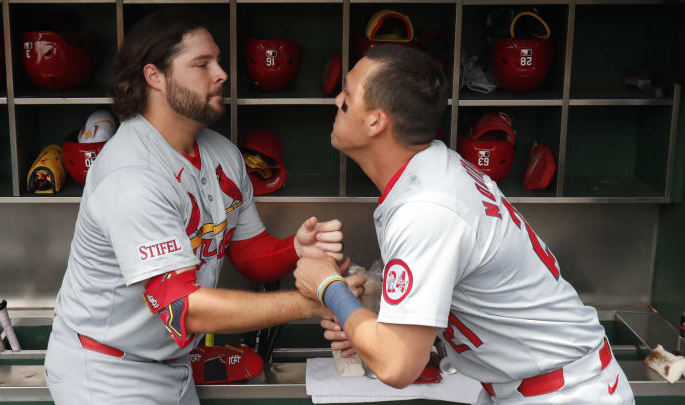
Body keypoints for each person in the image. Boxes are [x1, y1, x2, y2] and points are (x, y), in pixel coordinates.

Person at [44, 8, 362, 405]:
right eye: (202, 64)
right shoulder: (132, 175)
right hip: (106, 373)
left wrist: (296, 249)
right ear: (154, 76)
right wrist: (310, 300)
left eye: (219, 61)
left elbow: (248, 253)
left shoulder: (221, 154)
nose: (222, 73)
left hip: (172, 363)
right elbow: (184, 308)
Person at [293, 45, 635, 405]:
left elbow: (397, 365)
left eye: (347, 96)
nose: (336, 101)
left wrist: (327, 285)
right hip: (539, 385)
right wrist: (366, 324)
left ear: (376, 121)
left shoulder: (425, 206)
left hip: (566, 394)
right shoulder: (433, 169)